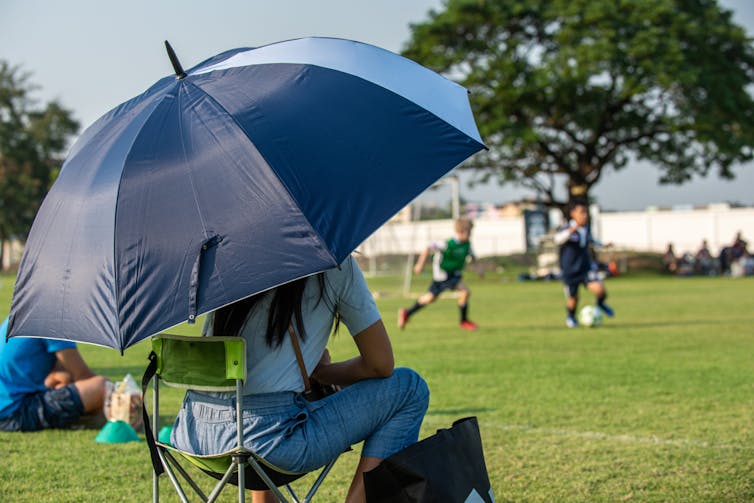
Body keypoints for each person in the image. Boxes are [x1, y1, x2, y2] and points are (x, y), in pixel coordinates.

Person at [170, 256, 429, 503]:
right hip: (269, 446)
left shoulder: (228, 262)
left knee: (256, 413)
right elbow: (379, 364)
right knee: (409, 388)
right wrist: (324, 372)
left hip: (194, 437)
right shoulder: (333, 266)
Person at [0, 317, 108, 431]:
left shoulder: (22, 314)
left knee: (64, 384)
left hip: (7, 407)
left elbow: (60, 375)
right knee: (102, 386)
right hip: (15, 413)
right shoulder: (53, 320)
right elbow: (82, 376)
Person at [398, 217, 481, 331]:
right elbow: (428, 248)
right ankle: (407, 313)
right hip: (442, 275)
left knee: (463, 292)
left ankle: (464, 321)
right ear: (461, 232)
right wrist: (420, 265)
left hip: (454, 274)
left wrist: (479, 269)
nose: (471, 234)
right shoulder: (446, 244)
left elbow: (473, 257)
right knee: (431, 298)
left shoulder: (466, 244)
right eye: (469, 232)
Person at [553, 200, 614, 328]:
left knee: (600, 290)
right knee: (573, 298)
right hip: (570, 270)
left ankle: (600, 304)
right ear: (573, 214)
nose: (584, 215)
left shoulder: (585, 229)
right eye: (581, 212)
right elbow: (557, 239)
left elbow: (591, 240)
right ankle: (571, 317)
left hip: (585, 268)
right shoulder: (567, 228)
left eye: (585, 212)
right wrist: (573, 229)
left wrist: (603, 245)